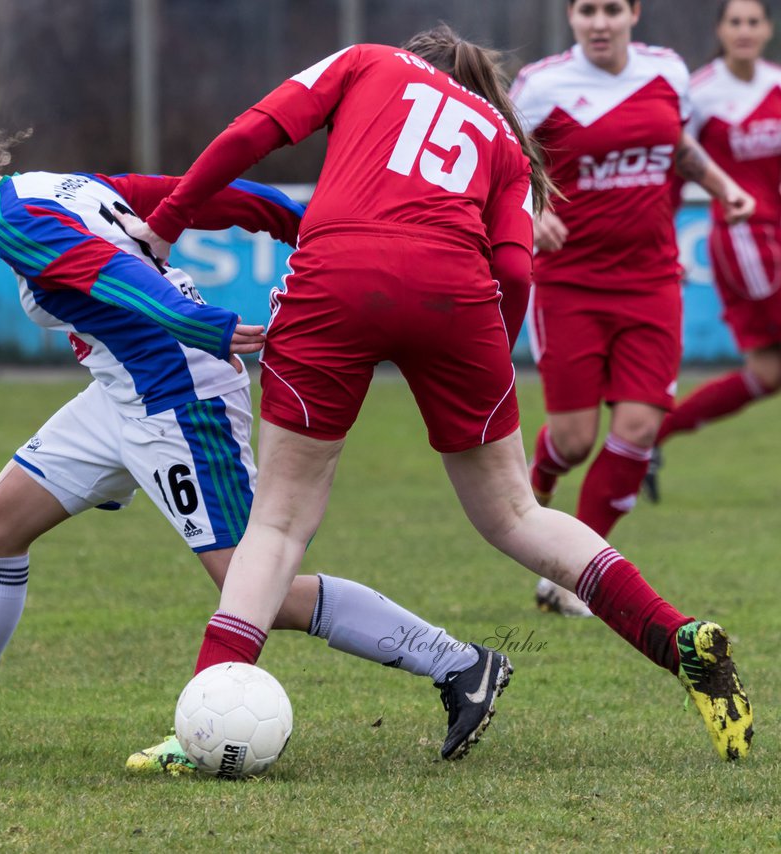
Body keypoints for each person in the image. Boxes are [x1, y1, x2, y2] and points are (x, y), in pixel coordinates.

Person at [127, 25, 753, 761]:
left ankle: (197, 723)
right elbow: (516, 274)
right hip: (457, 300)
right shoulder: (504, 141)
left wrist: (165, 223)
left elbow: (255, 131)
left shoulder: (368, 61)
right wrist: (491, 364)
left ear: (414, 57)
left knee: (279, 526)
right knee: (516, 513)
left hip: (337, 276)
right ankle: (676, 641)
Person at [0, 99, 515, 770]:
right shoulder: (55, 188)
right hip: (122, 393)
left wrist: (203, 325)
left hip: (177, 396)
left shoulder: (17, 221)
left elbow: (114, 274)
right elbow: (192, 194)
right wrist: (299, 222)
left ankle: (458, 663)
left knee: (259, 586)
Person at [513, 0, 755, 615]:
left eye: (612, 9)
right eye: (587, 10)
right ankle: (533, 495)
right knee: (572, 439)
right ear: (571, 16)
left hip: (651, 281)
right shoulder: (541, 86)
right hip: (570, 285)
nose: (600, 22)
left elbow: (675, 146)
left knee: (639, 430)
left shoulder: (667, 73)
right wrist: (532, 211)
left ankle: (575, 576)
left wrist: (725, 187)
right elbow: (504, 162)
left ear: (633, 14)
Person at [643, 0, 781, 501]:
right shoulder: (700, 94)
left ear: (768, 28)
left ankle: (647, 439)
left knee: (767, 375)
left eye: (753, 21)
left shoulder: (776, 83)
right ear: (721, 30)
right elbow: (674, 165)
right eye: (735, 22)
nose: (744, 30)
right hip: (745, 242)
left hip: (778, 236)